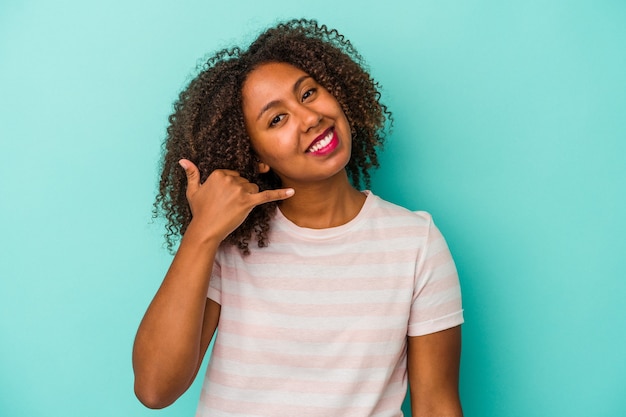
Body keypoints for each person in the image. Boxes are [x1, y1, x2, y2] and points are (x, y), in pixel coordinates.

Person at [132, 18, 464, 417]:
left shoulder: (416, 242)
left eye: (308, 93)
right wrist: (201, 233)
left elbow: (436, 404)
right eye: (277, 119)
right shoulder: (229, 243)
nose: (309, 118)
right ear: (253, 155)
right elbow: (154, 389)